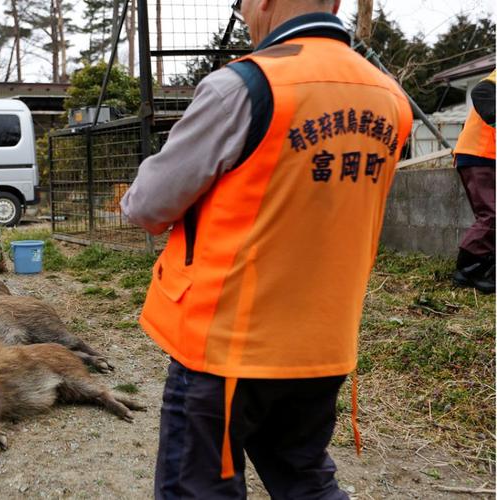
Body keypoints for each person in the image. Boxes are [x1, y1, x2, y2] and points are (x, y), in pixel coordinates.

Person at [120, 0, 413, 498]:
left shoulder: (246, 86)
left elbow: (147, 206)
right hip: (324, 347)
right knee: (304, 479)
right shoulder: (391, 98)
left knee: (200, 488)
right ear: (337, 3)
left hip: (229, 348)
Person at [452, 70, 495, 294]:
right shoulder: (491, 83)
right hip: (479, 155)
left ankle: (484, 269)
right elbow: (482, 90)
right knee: (491, 214)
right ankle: (466, 270)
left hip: (486, 156)